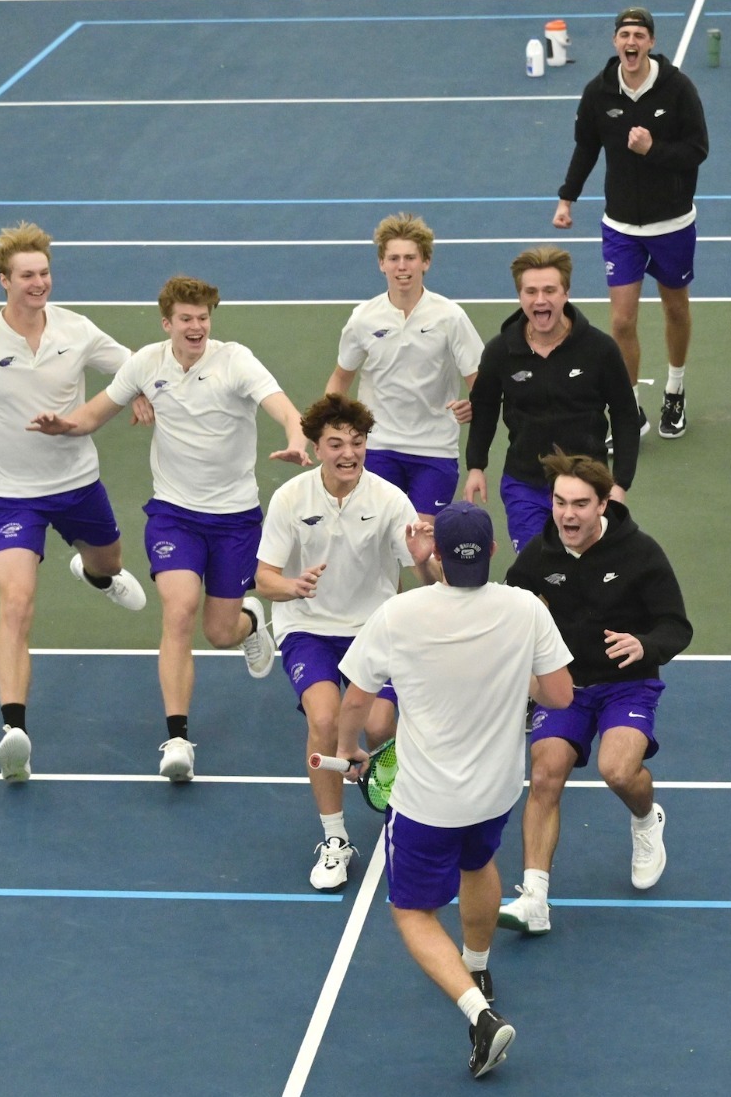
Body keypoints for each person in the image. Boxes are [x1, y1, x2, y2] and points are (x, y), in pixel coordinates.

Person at [29, 275, 310, 782]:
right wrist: (62, 425)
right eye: (187, 319)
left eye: (203, 318)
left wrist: (294, 436)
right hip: (174, 514)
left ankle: (250, 622)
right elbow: (94, 415)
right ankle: (178, 738)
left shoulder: (236, 360)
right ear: (168, 323)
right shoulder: (146, 364)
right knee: (178, 612)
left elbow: (285, 409)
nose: (197, 327)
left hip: (234, 519)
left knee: (219, 632)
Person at [336, 502, 574, 1080]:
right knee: (479, 862)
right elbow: (561, 697)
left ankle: (479, 1014)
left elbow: (356, 701)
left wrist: (348, 752)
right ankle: (477, 965)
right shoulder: (525, 608)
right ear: (494, 551)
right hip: (495, 792)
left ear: (436, 554)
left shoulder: (399, 614)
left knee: (413, 911)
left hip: (425, 802)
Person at [0, 222, 147, 784]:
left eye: (44, 273)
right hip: (13, 497)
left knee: (110, 562)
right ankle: (14, 732)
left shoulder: (76, 329)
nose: (38, 283)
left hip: (76, 483)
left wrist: (138, 390)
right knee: (16, 604)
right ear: (4, 281)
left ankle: (93, 575)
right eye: (27, 276)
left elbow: (137, 363)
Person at [498, 453, 691, 935]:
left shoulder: (640, 553)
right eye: (560, 502)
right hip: (566, 686)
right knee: (545, 776)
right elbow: (509, 607)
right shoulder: (540, 555)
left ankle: (647, 820)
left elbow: (677, 626)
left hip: (627, 682)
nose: (567, 514)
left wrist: (644, 643)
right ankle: (534, 898)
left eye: (580, 504)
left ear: (603, 504)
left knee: (618, 770)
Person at [255, 394, 440, 890]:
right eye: (336, 443)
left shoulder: (388, 500)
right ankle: (335, 838)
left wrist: (426, 555)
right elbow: (263, 578)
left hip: (374, 629)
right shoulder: (291, 499)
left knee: (378, 727)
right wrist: (293, 587)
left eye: (357, 443)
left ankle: (405, 796)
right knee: (324, 718)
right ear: (316, 448)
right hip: (308, 626)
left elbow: (424, 577)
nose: (348, 453)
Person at [554, 5, 710, 441]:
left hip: (673, 223)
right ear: (615, 42)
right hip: (620, 226)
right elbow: (586, 147)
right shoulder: (598, 92)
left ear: (651, 43)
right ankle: (629, 409)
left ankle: (675, 389)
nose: (631, 42)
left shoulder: (678, 89)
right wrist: (567, 198)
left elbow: (697, 150)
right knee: (622, 321)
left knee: (675, 308)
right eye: (624, 35)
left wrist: (652, 149)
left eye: (639, 35)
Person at [464, 246, 638, 553]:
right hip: (525, 485)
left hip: (588, 487)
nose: (540, 300)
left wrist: (620, 484)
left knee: (587, 572)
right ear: (520, 296)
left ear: (566, 293)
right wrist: (476, 465)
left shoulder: (600, 349)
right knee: (536, 572)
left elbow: (625, 416)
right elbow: (485, 409)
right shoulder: (500, 351)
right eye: (531, 291)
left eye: (549, 290)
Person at [326, 213, 484, 519]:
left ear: (425, 262)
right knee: (380, 543)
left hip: (435, 450)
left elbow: (480, 381)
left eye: (410, 258)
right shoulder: (363, 318)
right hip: (379, 447)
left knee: (421, 548)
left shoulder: (450, 317)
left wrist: (473, 405)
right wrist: (332, 426)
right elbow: (340, 378)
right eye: (394, 258)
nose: (402, 266)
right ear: (381, 263)